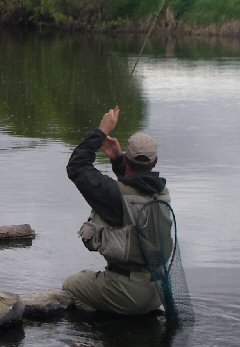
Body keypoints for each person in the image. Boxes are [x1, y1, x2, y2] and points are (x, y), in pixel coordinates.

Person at [63, 105, 172, 315]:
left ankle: (109, 327)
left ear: (128, 157)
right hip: (157, 290)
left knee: (71, 285)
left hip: (127, 292)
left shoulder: (114, 196)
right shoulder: (162, 192)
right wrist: (116, 160)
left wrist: (102, 131)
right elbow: (134, 188)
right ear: (155, 162)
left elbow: (77, 167)